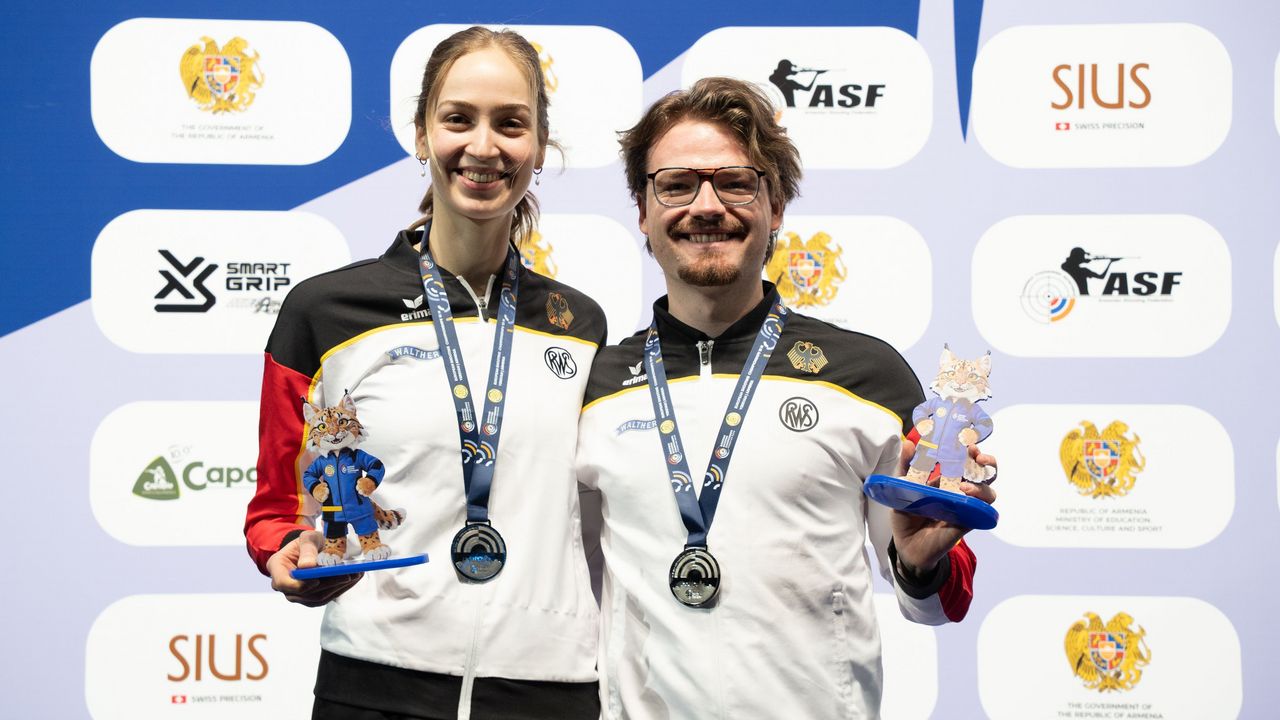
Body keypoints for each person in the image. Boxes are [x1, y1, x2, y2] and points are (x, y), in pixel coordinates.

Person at [575, 77, 997, 718]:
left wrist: (917, 564)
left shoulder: (868, 377)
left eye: (737, 181)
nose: (707, 205)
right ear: (642, 210)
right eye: (677, 184)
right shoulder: (593, 389)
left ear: (776, 206)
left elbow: (937, 604)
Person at [245, 27, 605, 720]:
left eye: (510, 123)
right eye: (458, 119)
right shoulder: (326, 312)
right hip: (375, 684)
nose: (483, 146)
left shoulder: (579, 325)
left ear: (538, 145)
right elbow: (275, 506)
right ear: (420, 135)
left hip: (550, 688)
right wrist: (293, 549)